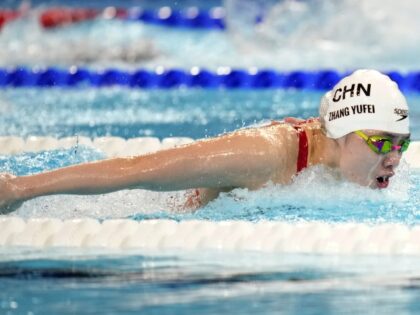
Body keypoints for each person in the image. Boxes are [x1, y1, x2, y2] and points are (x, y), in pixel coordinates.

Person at [0, 69, 411, 214]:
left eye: (401, 144)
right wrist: (20, 188)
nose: (394, 159)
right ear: (339, 133)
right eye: (381, 143)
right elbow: (134, 171)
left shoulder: (345, 167)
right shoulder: (263, 154)